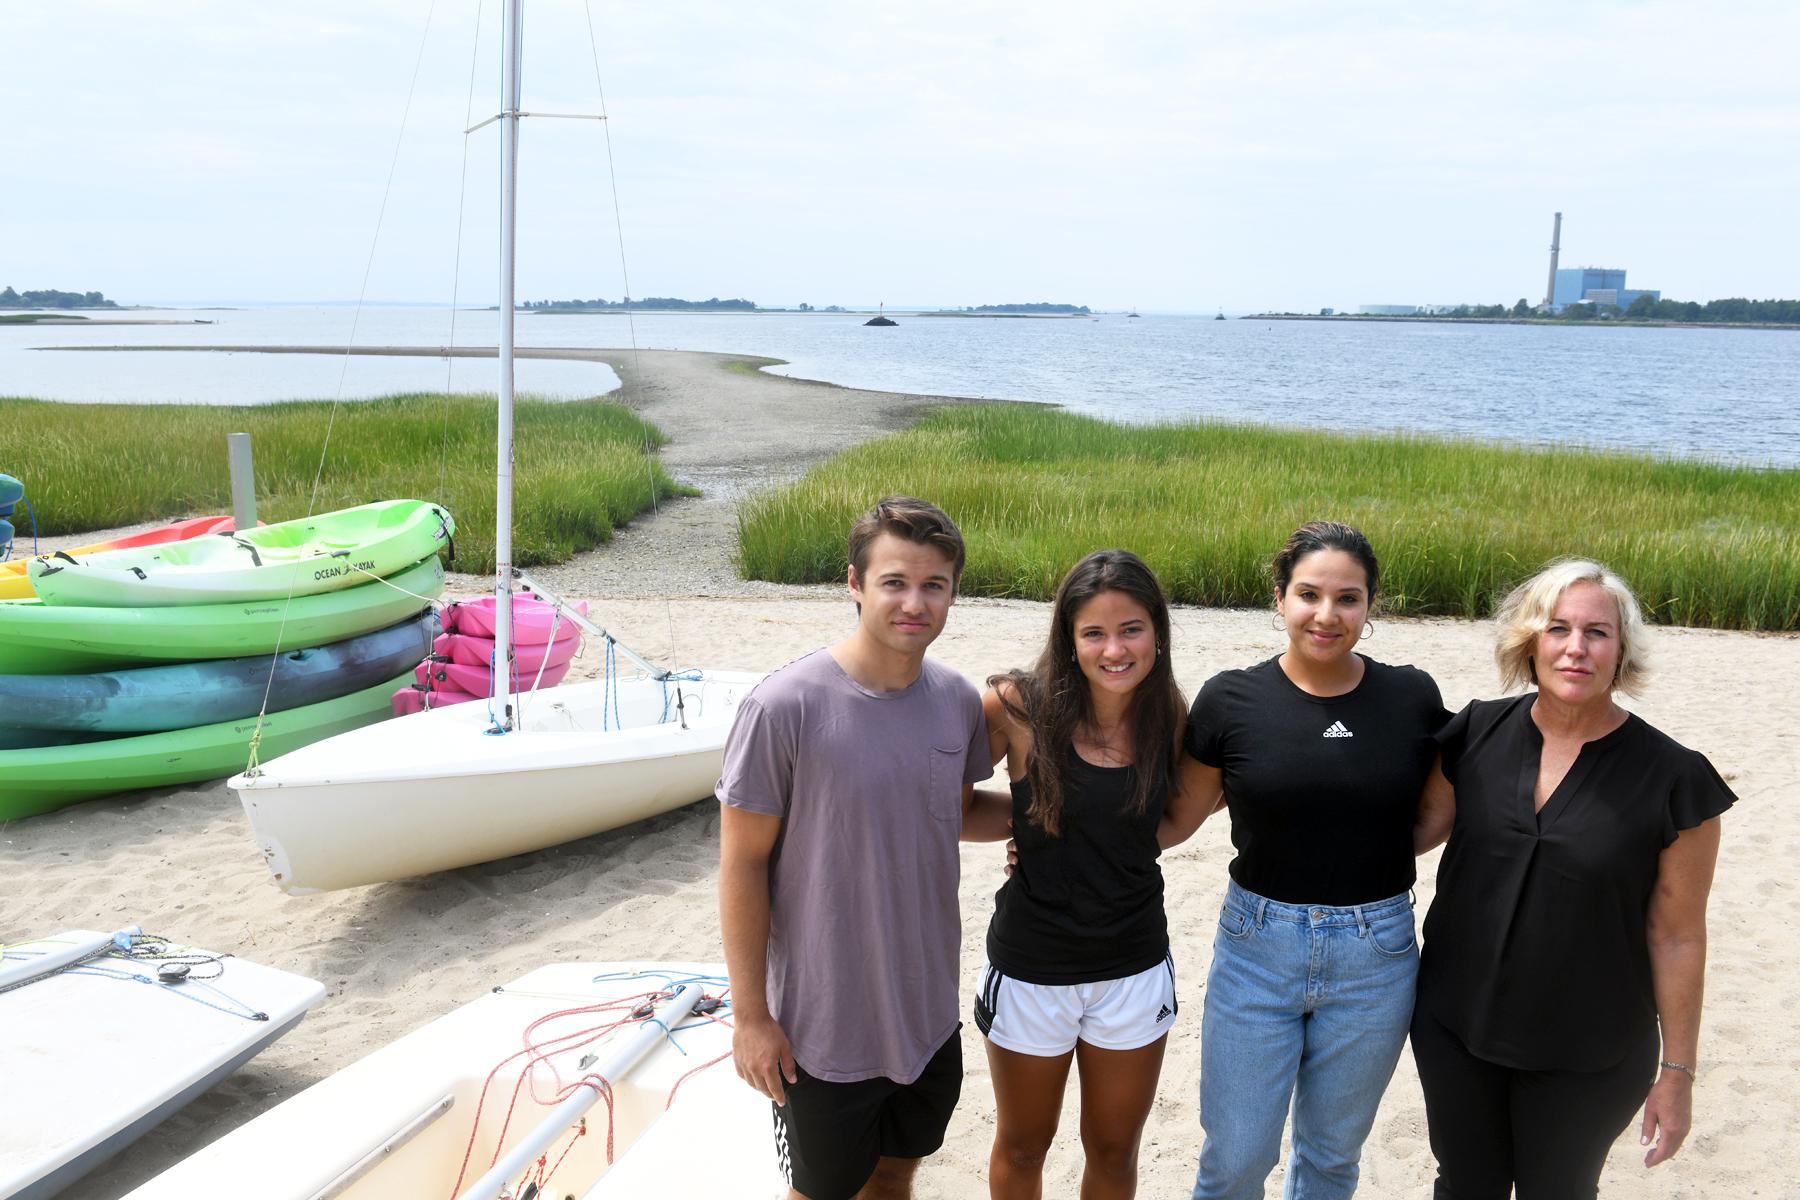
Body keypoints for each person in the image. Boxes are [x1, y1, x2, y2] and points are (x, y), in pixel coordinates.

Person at [1410, 559, 1733, 1198]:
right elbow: (1407, 836)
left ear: (1622, 651)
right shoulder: (1475, 732)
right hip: (1456, 1026)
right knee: (1463, 1183)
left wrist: (1678, 1072)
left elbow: (1677, 936)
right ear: (1531, 640)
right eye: (1558, 628)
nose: (1576, 648)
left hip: (1591, 1048)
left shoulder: (1675, 780)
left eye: (1598, 633)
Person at [717, 496, 993, 1200]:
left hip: (927, 1015)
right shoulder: (784, 707)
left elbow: (954, 811)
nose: (914, 602)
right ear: (854, 583)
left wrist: (1056, 824)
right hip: (823, 1028)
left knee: (897, 1175)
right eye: (894, 582)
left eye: (934, 585)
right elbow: (742, 864)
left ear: (954, 593)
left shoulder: (958, 700)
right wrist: (750, 1017)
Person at [1176, 520, 1447, 1200]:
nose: (1327, 615)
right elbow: (1175, 820)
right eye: (1309, 594)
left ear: (1370, 605)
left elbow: (1434, 814)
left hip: (1377, 954)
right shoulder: (1230, 699)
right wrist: (1050, 837)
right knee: (1235, 1159)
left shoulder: (1412, 696)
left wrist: (1359, 845)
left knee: (1330, 1158)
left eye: (1348, 598)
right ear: (1279, 599)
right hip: (1255, 946)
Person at [976, 549, 1216, 1198]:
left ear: (1158, 632)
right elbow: (946, 802)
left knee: (1112, 1151)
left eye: (1131, 628)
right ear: (1069, 638)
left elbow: (1170, 821)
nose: (1115, 648)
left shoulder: (1170, 715)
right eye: (1094, 633)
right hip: (1030, 968)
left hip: (1132, 970)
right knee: (1024, 1145)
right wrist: (1026, 823)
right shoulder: (1016, 707)